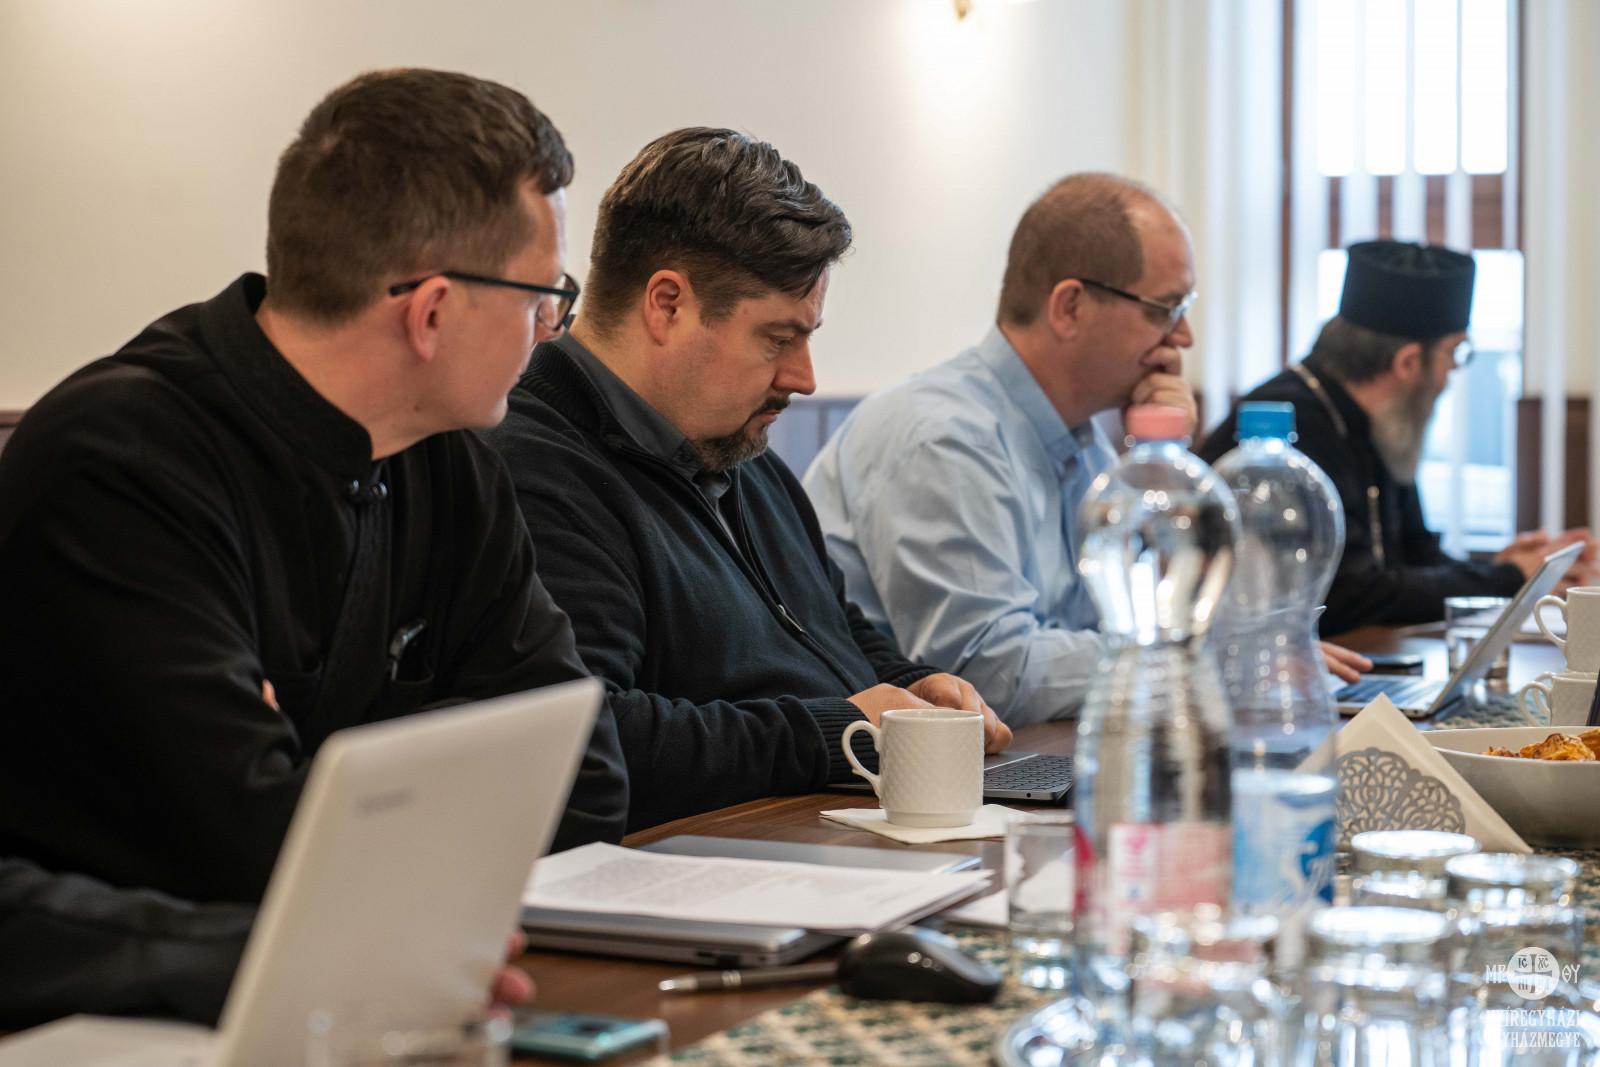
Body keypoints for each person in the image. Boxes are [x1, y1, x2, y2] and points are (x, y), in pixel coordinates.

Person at [0, 69, 626, 1023]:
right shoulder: (122, 461)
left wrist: (326, 770)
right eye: (545, 293)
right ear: (431, 312)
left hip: (349, 989)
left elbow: (585, 777)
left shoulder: (451, 460)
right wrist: (428, 763)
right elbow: (249, 846)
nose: (553, 325)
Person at [483, 128, 1010, 833]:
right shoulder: (535, 469)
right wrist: (833, 731)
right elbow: (594, 735)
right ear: (667, 304)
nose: (804, 377)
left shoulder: (738, 450)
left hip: (811, 837)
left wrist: (911, 687)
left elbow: (830, 625)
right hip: (691, 869)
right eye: (778, 339)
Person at [803, 174, 1370, 727]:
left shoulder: (1084, 442)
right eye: (1165, 308)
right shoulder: (943, 437)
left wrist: (1165, 462)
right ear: (1070, 307)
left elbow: (1129, 618)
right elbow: (987, 672)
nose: (1183, 337)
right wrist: (1213, 655)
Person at [1197, 239, 1596, 635]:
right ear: (1408, 362)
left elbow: (1417, 557)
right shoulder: (1291, 427)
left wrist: (1499, 570)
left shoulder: (1383, 423)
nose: (1452, 372)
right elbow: (1348, 595)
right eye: (1454, 352)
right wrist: (1508, 578)